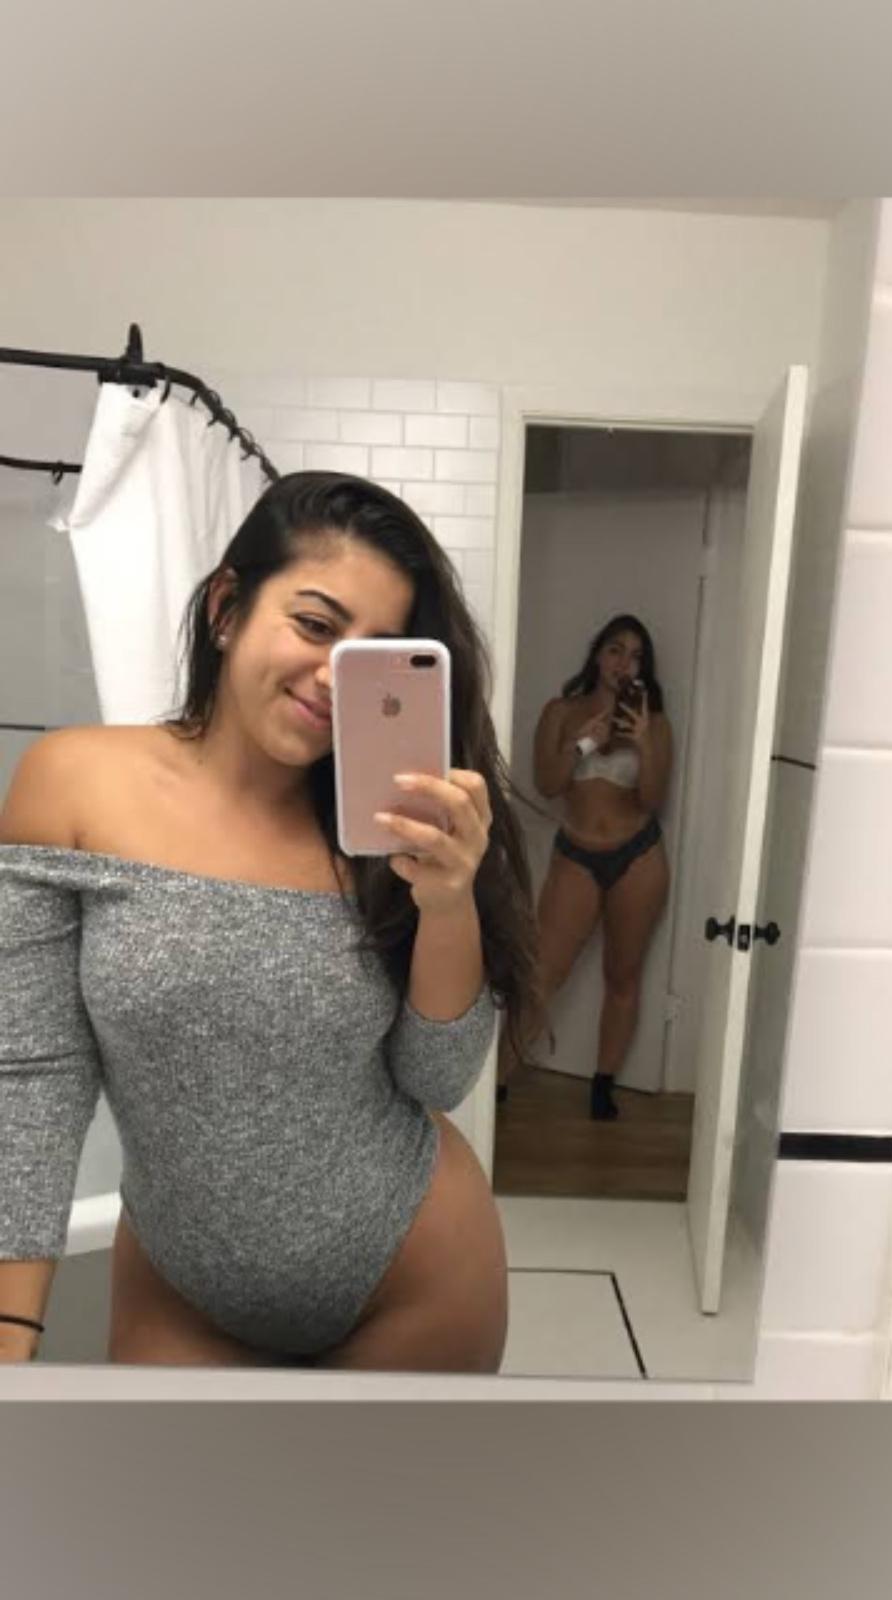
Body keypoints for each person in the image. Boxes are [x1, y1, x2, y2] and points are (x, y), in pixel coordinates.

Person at [0, 471, 543, 1371]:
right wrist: (10, 1335)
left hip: (412, 1278)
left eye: (372, 655)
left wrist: (449, 902)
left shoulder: (388, 825)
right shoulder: (73, 785)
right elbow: (32, 1076)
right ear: (227, 608)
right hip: (181, 1293)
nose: (334, 678)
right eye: (316, 626)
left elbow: (438, 1078)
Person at [496, 614, 672, 1121]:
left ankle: (603, 1084)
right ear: (597, 655)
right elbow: (547, 785)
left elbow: (653, 799)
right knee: (543, 973)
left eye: (636, 656)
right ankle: (497, 1080)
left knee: (623, 973)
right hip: (576, 852)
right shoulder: (562, 711)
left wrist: (644, 743)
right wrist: (581, 744)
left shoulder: (655, 723)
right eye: (615, 650)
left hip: (638, 854)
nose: (624, 663)